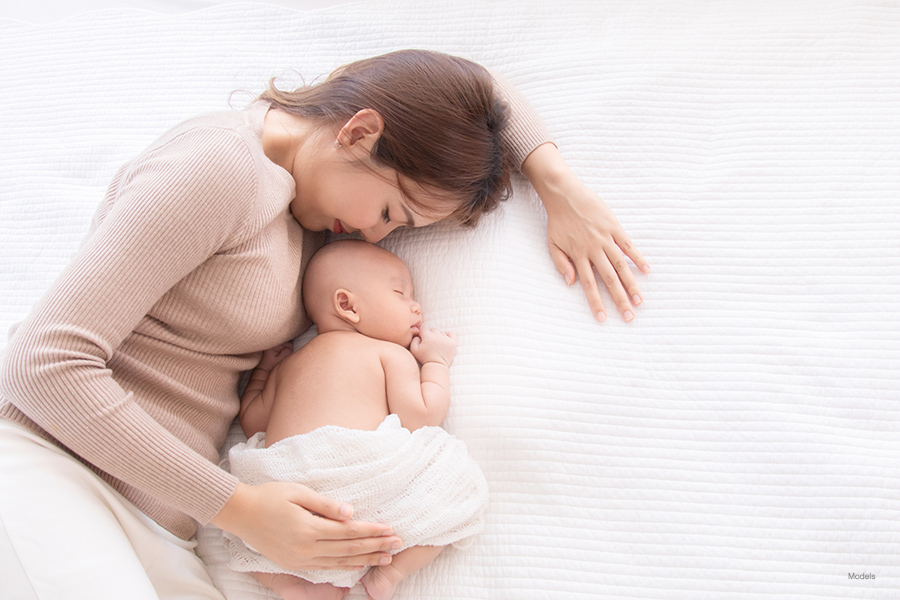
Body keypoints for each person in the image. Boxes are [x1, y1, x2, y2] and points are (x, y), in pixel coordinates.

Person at [0, 49, 649, 599]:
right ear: (359, 131)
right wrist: (243, 509)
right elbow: (41, 361)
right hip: (52, 465)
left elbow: (478, 88)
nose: (376, 234)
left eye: (400, 229)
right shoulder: (221, 165)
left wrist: (554, 181)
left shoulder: (311, 212)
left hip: (165, 522)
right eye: (392, 210)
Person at [223, 239, 488, 600]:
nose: (416, 307)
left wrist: (264, 369)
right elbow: (423, 416)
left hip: (289, 493)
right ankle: (389, 573)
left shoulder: (290, 365)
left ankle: (290, 583)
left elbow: (253, 421)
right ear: (347, 305)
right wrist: (436, 363)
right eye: (401, 293)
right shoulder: (387, 354)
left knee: (242, 531)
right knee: (461, 483)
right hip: (361, 477)